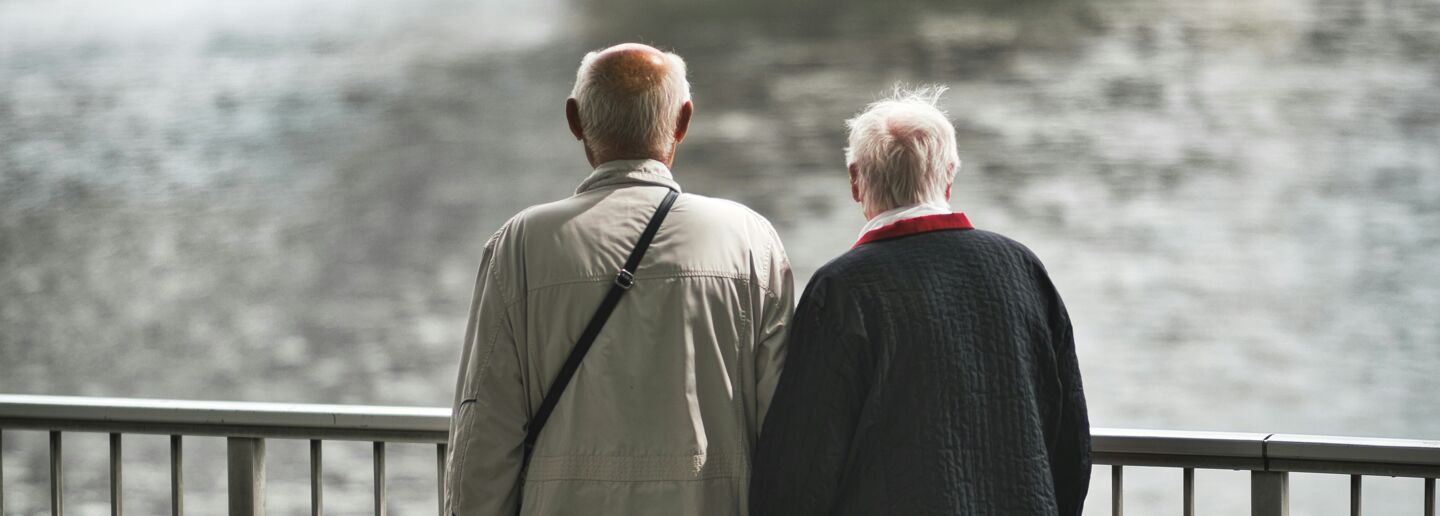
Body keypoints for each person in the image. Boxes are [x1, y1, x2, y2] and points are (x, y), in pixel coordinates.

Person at [444, 43, 793, 516]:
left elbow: (485, 429)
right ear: (683, 121)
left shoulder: (522, 245)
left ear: (575, 120)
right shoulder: (750, 241)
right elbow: (788, 426)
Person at [750, 86, 1091, 516]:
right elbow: (1070, 442)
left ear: (856, 182)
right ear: (949, 174)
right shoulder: (1023, 269)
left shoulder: (841, 290)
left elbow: (801, 467)